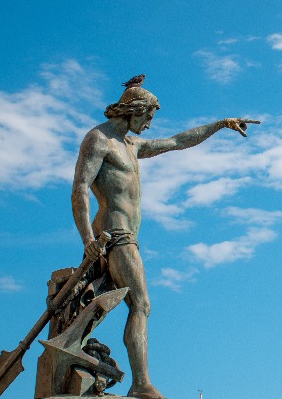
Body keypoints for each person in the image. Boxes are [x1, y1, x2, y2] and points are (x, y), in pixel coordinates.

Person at [71, 79, 258, 399]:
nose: (148, 124)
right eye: (147, 117)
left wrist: (221, 124)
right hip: (114, 235)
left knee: (99, 307)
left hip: (125, 237)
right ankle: (141, 384)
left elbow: (177, 141)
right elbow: (80, 187)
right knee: (141, 304)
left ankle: (93, 364)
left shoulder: (131, 145)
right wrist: (87, 238)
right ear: (134, 111)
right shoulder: (99, 139)